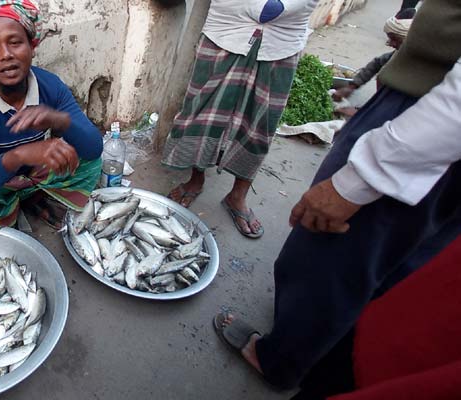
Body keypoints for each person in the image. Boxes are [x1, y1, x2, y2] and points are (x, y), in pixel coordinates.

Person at [214, 0, 461, 390]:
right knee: (402, 265)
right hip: (435, 124)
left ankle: (280, 359)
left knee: (329, 254)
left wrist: (359, 179)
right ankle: (335, 352)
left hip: (428, 127)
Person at [161, 0, 320, 239]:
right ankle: (196, 179)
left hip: (282, 43)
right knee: (203, 112)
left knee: (259, 124)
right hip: (226, 30)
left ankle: (237, 196)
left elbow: (271, 10)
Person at [0, 0, 103, 230]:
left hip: (37, 174)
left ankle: (33, 196)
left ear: (32, 46)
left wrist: (59, 119)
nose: (5, 55)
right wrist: (18, 156)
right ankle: (12, 206)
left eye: (15, 42)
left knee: (87, 160)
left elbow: (93, 149)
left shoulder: (50, 86)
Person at [333, 8, 416, 101]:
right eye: (390, 39)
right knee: (383, 72)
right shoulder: (398, 53)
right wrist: (352, 86)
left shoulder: (421, 63)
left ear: (409, 38)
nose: (390, 44)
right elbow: (377, 63)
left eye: (395, 39)